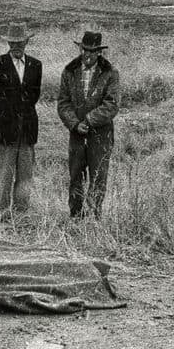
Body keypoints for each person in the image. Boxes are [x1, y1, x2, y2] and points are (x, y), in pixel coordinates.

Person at [0, 23, 42, 215]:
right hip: (4, 132)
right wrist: (1, 117)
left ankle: (21, 215)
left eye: (20, 42)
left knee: (25, 176)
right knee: (4, 176)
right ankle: (3, 214)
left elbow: (34, 96)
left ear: (26, 41)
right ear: (7, 41)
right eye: (13, 42)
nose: (17, 45)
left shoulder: (35, 65)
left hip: (27, 131)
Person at [57, 31, 120, 219]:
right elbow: (63, 102)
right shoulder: (69, 71)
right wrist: (75, 124)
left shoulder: (110, 72)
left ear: (99, 52)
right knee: (76, 175)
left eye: (93, 51)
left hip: (101, 134)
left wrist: (90, 121)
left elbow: (112, 104)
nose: (88, 55)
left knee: (99, 175)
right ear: (80, 48)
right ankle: (76, 216)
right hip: (76, 133)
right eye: (85, 50)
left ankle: (95, 216)